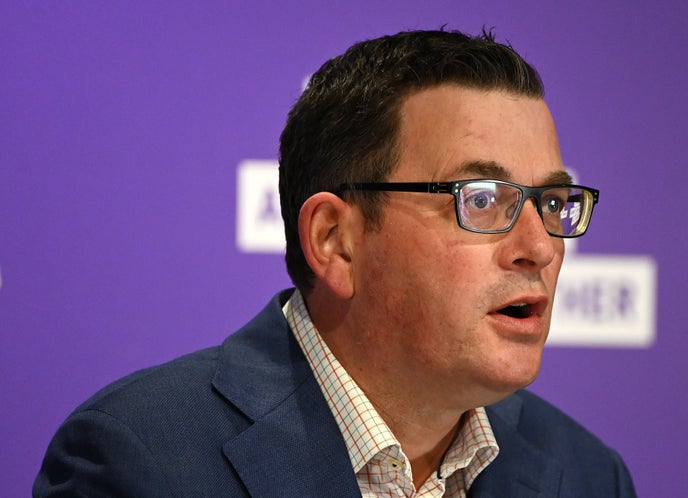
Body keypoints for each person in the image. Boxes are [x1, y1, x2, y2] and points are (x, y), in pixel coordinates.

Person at [34, 29, 637, 497]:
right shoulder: (144, 460)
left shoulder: (586, 475)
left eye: (552, 202)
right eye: (480, 199)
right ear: (336, 241)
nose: (540, 247)